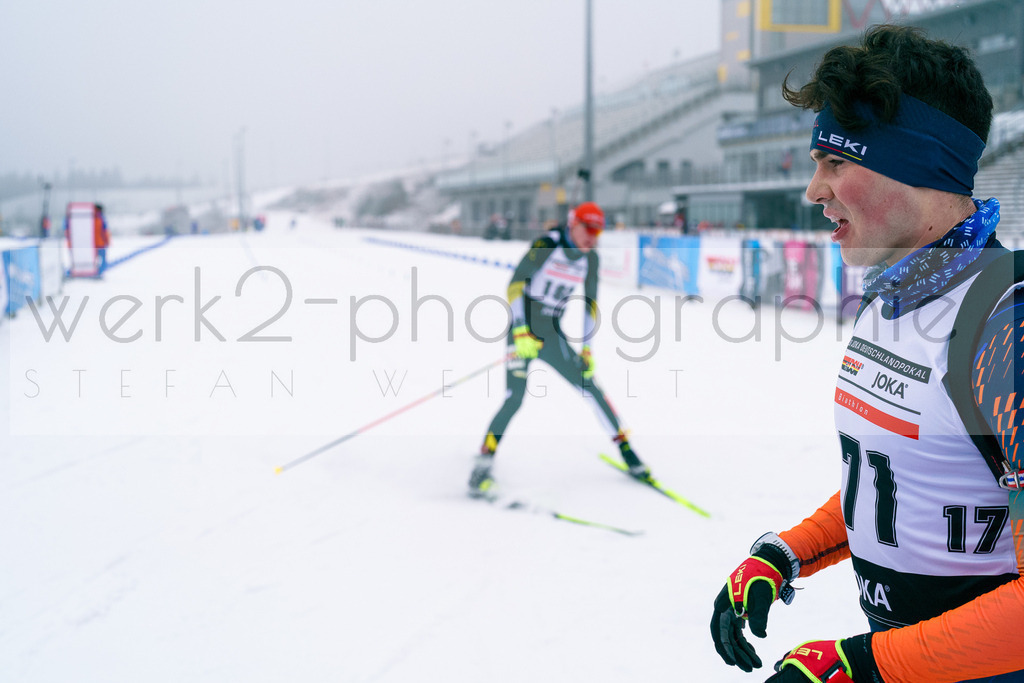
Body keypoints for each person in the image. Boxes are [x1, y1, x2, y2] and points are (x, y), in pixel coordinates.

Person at [710, 25, 1024, 683]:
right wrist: (785, 553)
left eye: (835, 162)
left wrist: (863, 663)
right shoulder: (892, 295)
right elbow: (905, 479)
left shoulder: (1005, 325)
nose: (812, 191)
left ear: (915, 165)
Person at [468, 201, 651, 498]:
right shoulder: (546, 244)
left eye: (598, 231)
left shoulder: (590, 259)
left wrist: (587, 349)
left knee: (591, 388)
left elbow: (590, 305)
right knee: (514, 398)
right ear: (573, 224)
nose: (592, 237)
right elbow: (514, 286)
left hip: (552, 334)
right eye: (587, 229)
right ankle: (483, 459)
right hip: (524, 328)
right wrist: (519, 331)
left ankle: (628, 453)